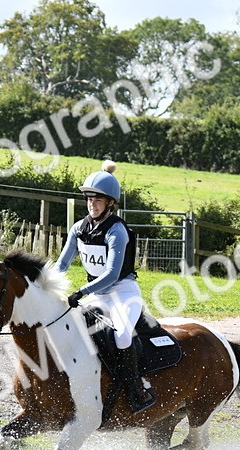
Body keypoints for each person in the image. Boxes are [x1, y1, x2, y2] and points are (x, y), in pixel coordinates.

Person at [52, 160, 155, 413]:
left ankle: (136, 390)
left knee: (121, 336)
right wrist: (45, 284)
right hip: (97, 294)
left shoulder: (116, 231)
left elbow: (111, 274)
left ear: (110, 203)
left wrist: (80, 292)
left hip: (122, 292)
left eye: (98, 200)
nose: (92, 204)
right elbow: (62, 263)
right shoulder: (79, 228)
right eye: (89, 199)